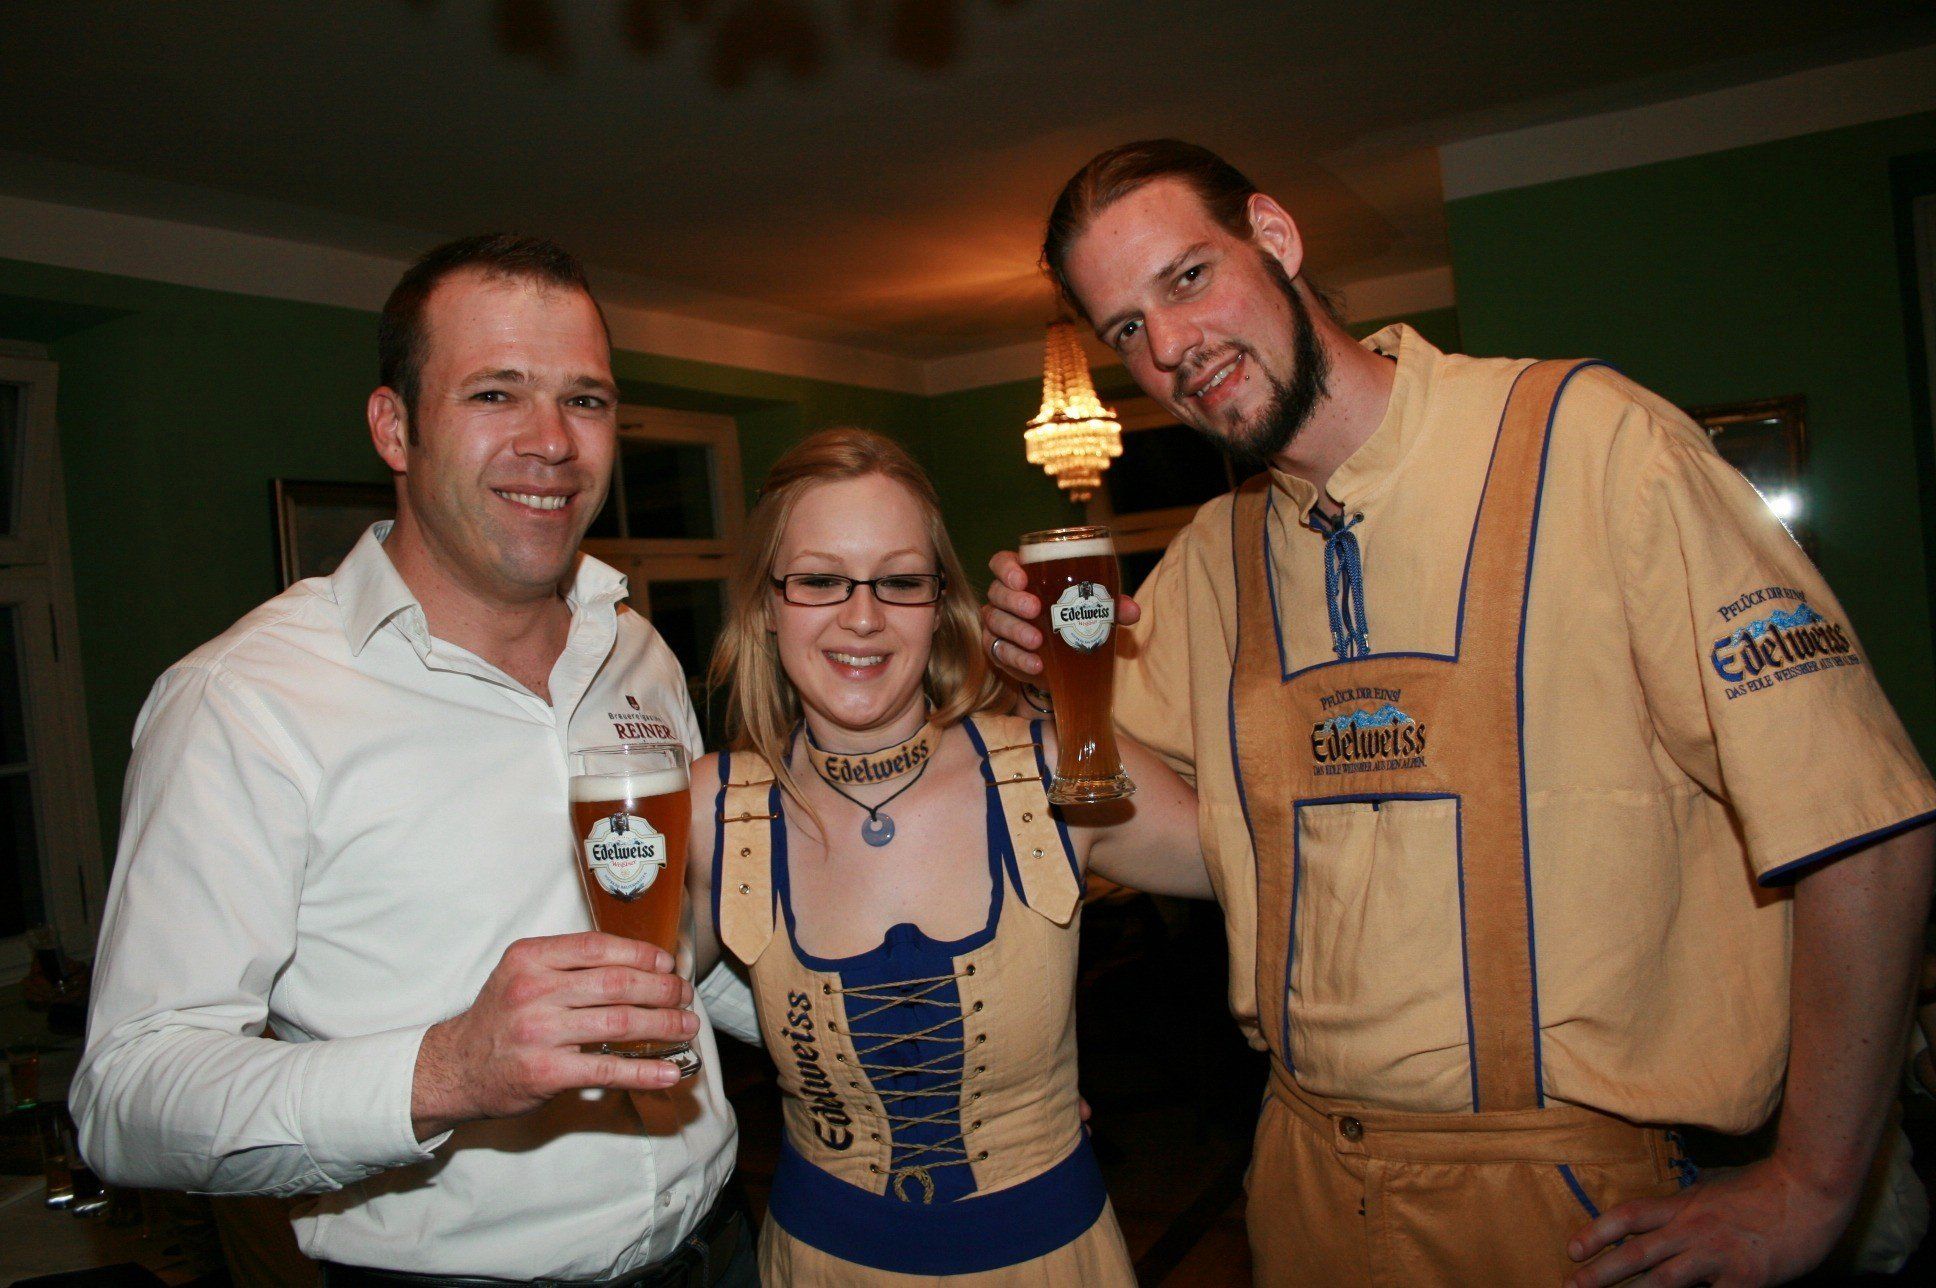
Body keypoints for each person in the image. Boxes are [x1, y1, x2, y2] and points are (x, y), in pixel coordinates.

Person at [981, 139, 1936, 1287]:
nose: (1171, 347)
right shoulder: (1213, 559)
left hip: (1576, 1200)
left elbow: (1863, 819)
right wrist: (1045, 699)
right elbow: (1198, 844)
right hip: (1302, 1178)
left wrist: (1813, 1181)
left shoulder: (1591, 442)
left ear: (1274, 237)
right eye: (1128, 328)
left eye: (1188, 277)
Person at [74, 234, 758, 1286]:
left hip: (722, 1247)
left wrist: (862, 1009)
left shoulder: (637, 651)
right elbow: (126, 1098)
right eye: (495, 393)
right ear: (394, 427)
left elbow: (675, 957)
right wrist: (448, 1069)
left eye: (584, 400)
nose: (552, 442)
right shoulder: (244, 701)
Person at [687, 428, 1210, 1284]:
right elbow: (624, 1007)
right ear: (767, 604)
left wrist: (1103, 685)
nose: (863, 616)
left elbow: (1277, 867)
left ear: (941, 605)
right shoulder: (712, 809)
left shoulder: (1054, 769)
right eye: (819, 580)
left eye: (900, 581)